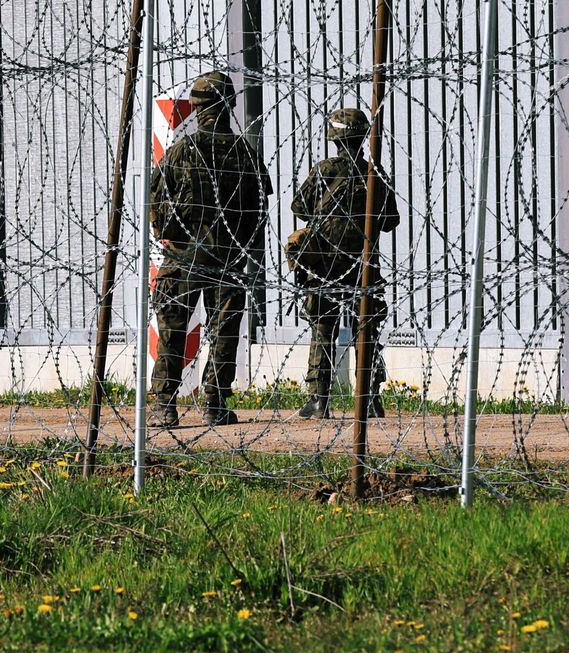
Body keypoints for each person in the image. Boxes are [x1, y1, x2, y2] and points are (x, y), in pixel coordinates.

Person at [148, 71, 272, 428]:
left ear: (197, 108)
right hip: (228, 258)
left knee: (172, 332)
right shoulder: (245, 155)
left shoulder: (181, 151)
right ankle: (215, 403)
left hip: (183, 257)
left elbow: (157, 202)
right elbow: (259, 210)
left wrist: (171, 235)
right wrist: (240, 243)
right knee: (224, 333)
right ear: (229, 105)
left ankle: (164, 405)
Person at [286, 107, 399, 419]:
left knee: (323, 330)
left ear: (333, 137)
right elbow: (390, 220)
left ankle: (319, 400)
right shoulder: (374, 175)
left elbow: (300, 207)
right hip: (364, 267)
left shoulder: (322, 172)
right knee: (367, 331)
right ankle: (371, 398)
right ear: (362, 137)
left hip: (324, 268)